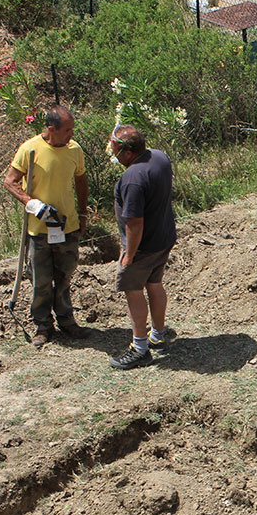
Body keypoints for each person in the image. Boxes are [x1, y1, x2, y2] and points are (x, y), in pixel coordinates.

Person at [3, 106, 90, 348]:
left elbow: (81, 182)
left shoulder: (74, 150)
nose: (71, 134)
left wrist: (82, 214)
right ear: (51, 129)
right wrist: (31, 203)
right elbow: (10, 181)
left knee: (64, 276)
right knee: (41, 280)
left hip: (67, 226)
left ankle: (66, 320)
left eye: (72, 129)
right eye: (66, 130)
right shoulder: (30, 149)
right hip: (39, 230)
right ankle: (42, 325)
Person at [108, 125, 177, 370]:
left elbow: (135, 224)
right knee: (155, 284)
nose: (112, 150)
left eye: (114, 146)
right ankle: (157, 337)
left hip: (144, 247)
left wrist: (128, 255)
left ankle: (139, 349)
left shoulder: (133, 179)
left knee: (133, 290)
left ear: (127, 151)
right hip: (163, 238)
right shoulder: (159, 156)